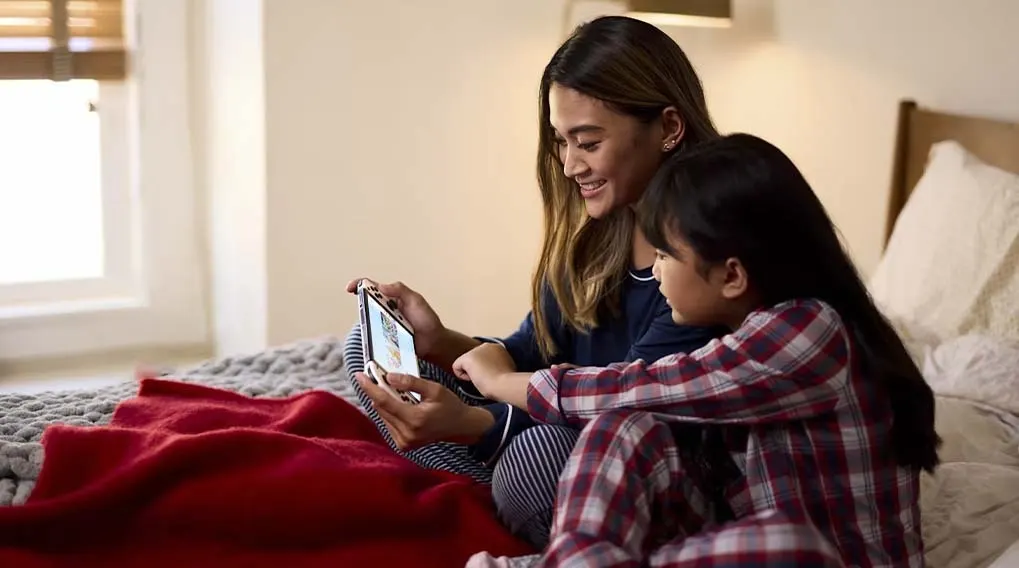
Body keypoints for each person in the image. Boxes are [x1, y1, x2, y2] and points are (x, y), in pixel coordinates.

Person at [455, 133, 941, 567]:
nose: (657, 270)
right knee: (625, 426)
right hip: (734, 537)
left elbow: (645, 385)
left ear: (732, 275)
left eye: (665, 254)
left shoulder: (811, 331)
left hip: (815, 557)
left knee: (790, 542)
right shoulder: (733, 331)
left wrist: (500, 384)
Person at [342, 15, 728, 547]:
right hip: (558, 430)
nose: (569, 165)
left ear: (668, 128)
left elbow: (626, 418)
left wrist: (478, 425)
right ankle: (495, 483)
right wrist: (442, 343)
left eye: (588, 143)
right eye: (561, 142)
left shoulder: (700, 265)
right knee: (369, 345)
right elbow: (532, 354)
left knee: (534, 460)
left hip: (642, 469)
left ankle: (503, 486)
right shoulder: (594, 239)